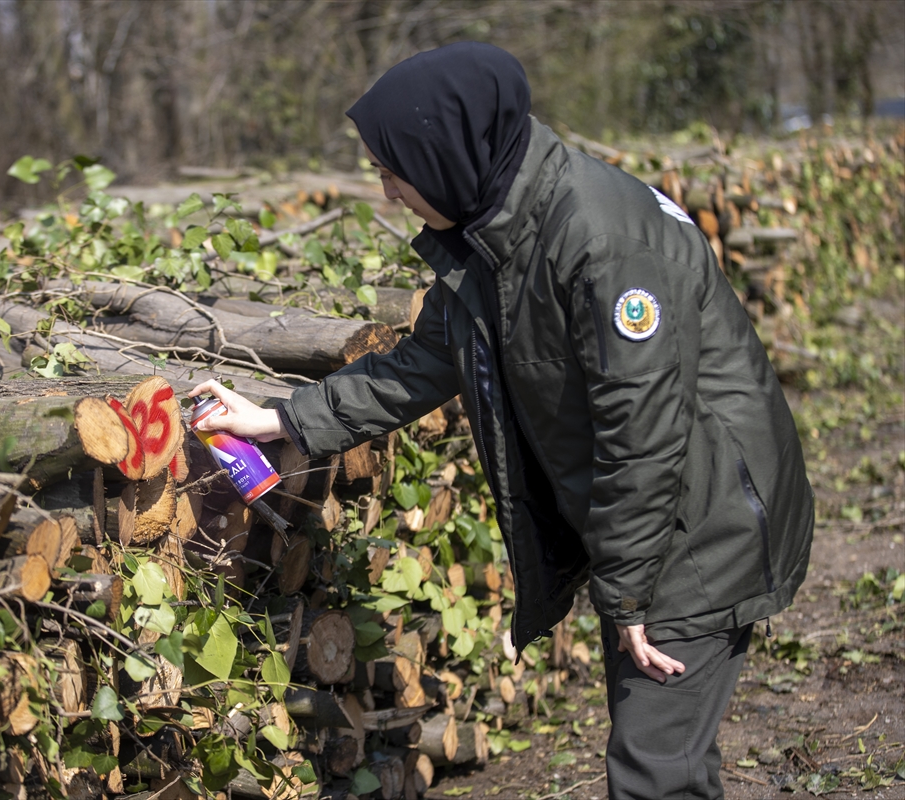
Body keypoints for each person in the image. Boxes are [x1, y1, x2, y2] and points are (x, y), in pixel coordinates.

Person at [190, 41, 813, 800]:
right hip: (667, 520)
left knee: (655, 773)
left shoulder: (598, 241)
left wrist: (628, 595)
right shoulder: (499, 228)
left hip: (702, 523)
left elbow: (644, 437)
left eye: (392, 171)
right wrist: (288, 419)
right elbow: (422, 362)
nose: (387, 192)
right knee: (669, 759)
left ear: (445, 157)